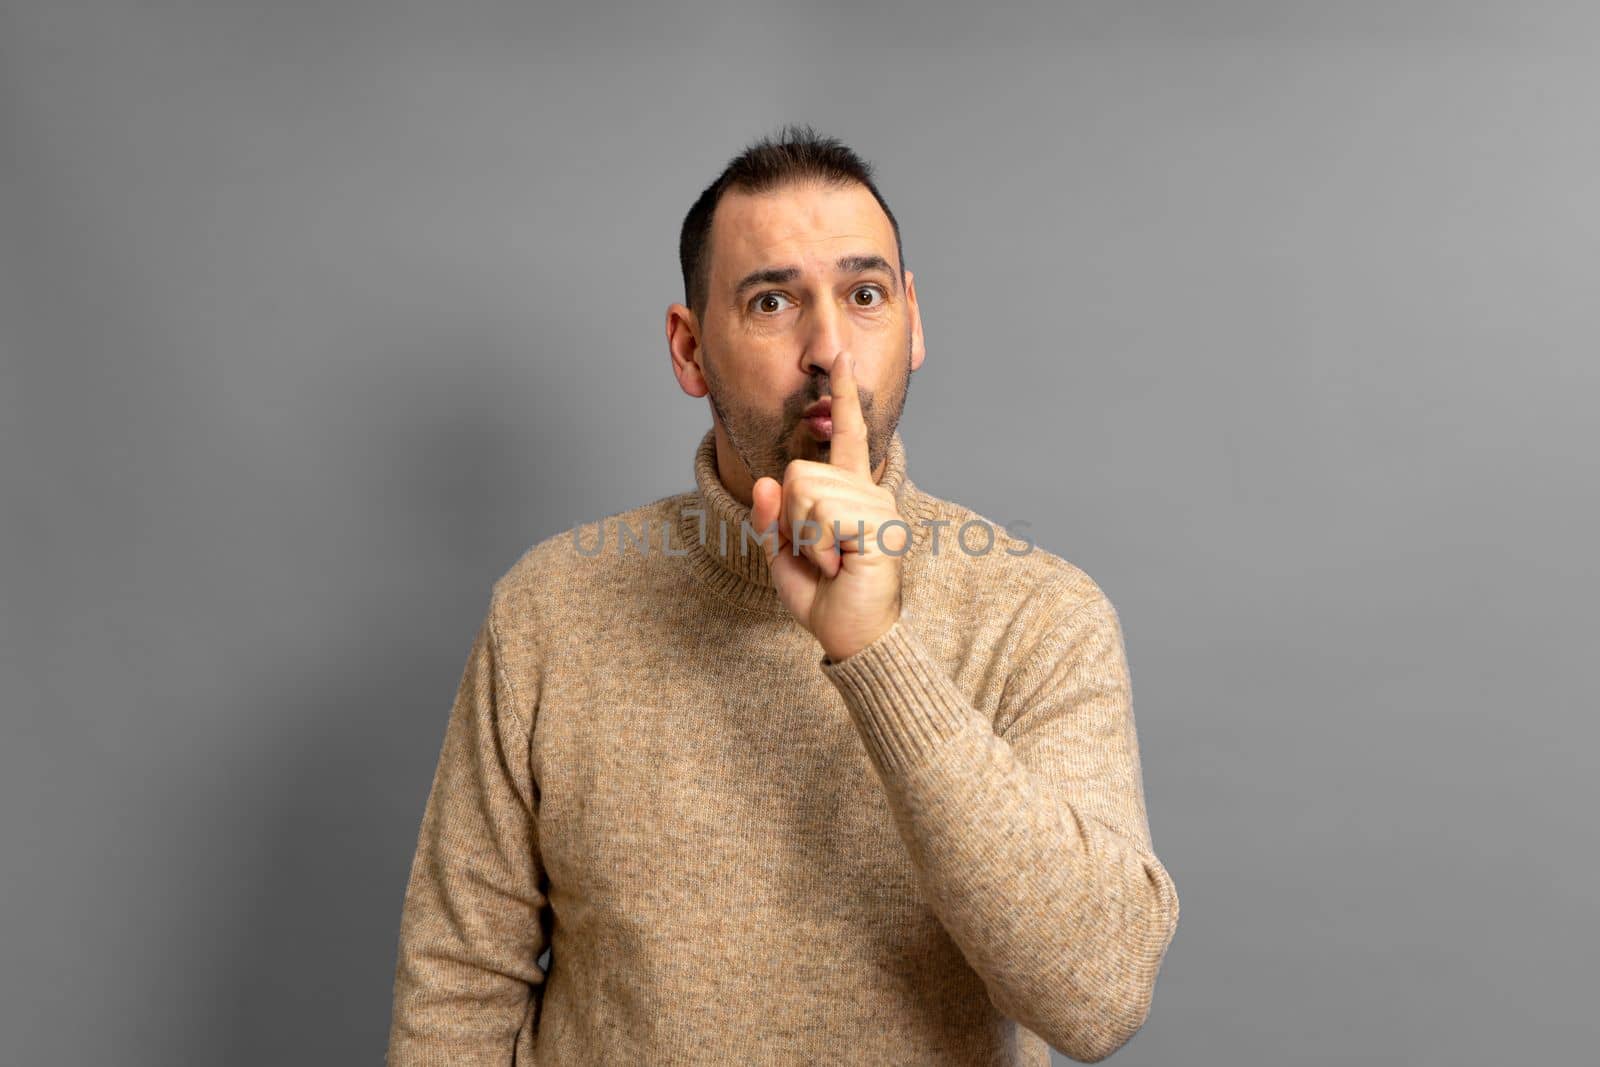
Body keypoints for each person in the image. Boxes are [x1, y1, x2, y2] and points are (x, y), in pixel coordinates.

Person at [385, 125, 1179, 1065]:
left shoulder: (1041, 615)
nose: (830, 348)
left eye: (866, 294)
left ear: (914, 323)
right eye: (772, 301)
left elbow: (1100, 994)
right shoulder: (547, 610)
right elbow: (458, 993)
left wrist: (877, 650)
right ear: (689, 350)